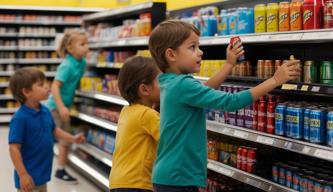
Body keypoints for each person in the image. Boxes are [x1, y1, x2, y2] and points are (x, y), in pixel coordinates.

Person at [148, 20, 301, 192]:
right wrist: (275, 80)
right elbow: (231, 102)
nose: (200, 52)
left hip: (171, 174)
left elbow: (204, 90)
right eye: (192, 47)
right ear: (171, 55)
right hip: (178, 177)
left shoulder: (170, 81)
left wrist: (229, 64)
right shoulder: (183, 85)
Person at [8, 67, 85, 192]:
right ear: (27, 92)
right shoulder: (20, 118)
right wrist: (22, 174)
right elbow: (14, 148)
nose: (47, 86)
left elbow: (54, 130)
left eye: (46, 82)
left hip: (42, 174)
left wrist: (73, 138)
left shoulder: (45, 111)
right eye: (41, 84)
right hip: (28, 178)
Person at [109, 56, 160, 192]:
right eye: (161, 80)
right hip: (136, 184)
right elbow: (171, 140)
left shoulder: (127, 110)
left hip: (119, 181)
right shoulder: (147, 115)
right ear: (144, 89)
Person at [47, 29, 89, 184]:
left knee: (63, 140)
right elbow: (55, 87)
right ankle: (60, 171)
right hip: (56, 108)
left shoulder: (82, 62)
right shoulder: (67, 65)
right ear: (70, 49)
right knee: (64, 141)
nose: (87, 47)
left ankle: (60, 168)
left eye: (87, 43)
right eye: (82, 44)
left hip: (65, 106)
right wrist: (62, 107)